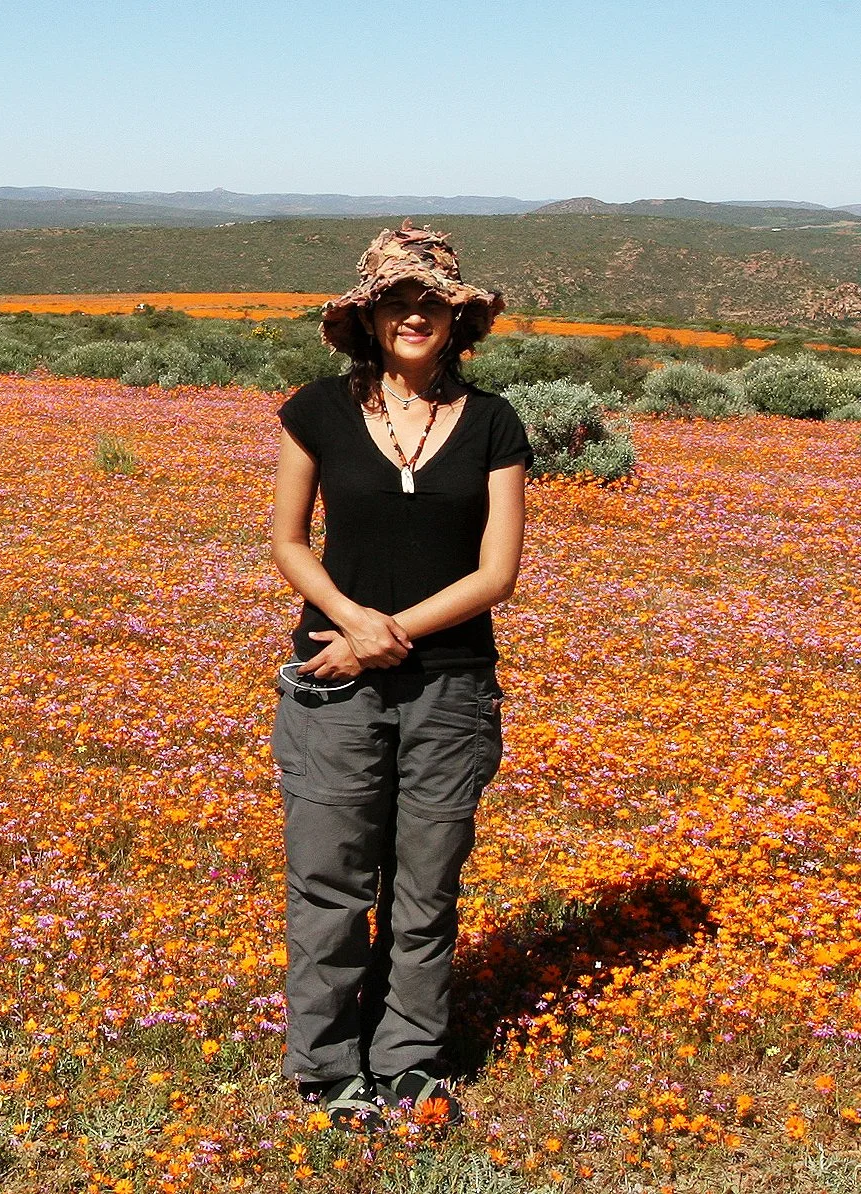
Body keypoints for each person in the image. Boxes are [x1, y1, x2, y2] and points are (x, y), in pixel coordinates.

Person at [267, 220, 531, 1125]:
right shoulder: (315, 410)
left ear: (458, 320)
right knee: (330, 879)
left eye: (432, 302)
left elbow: (497, 573)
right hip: (332, 678)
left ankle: (408, 1057)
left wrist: (389, 634)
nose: (414, 315)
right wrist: (347, 625)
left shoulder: (494, 422)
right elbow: (287, 541)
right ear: (368, 317)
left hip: (451, 685)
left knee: (426, 882)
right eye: (396, 301)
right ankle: (328, 1064)